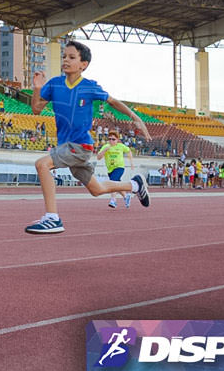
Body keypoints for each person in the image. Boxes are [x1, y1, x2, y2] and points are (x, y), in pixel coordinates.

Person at [25, 41, 151, 235]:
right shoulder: (55, 84)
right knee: (97, 189)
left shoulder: (89, 87)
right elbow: (36, 109)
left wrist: (135, 118)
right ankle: (135, 185)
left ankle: (52, 218)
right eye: (64, 56)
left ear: (83, 64)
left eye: (71, 57)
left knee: (42, 164)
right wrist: (37, 88)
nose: (65, 60)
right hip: (66, 146)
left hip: (80, 146)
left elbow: (113, 101)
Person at [98, 131, 134, 208]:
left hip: (119, 167)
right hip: (110, 169)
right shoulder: (106, 146)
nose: (111, 141)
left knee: (113, 182)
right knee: (117, 185)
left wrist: (131, 163)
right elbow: (98, 157)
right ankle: (126, 196)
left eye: (113, 139)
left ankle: (113, 200)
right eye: (109, 139)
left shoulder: (121, 146)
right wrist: (104, 151)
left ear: (117, 139)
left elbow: (129, 151)